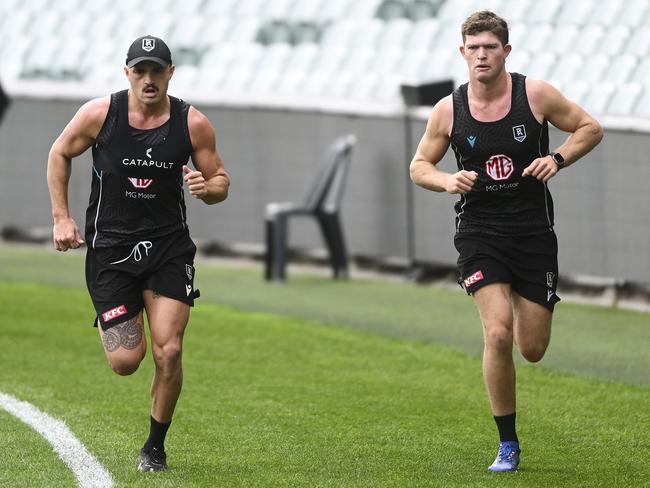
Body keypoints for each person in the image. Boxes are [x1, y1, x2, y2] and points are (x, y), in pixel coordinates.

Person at [410, 11, 602, 472]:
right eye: (473, 48)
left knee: (531, 348)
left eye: (490, 47)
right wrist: (446, 180)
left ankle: (520, 293)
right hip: (479, 233)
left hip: (533, 232)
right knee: (497, 332)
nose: (481, 55)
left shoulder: (534, 94)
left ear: (506, 51)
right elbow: (419, 165)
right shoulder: (448, 109)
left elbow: (590, 128)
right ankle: (508, 444)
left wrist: (557, 158)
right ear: (462, 53)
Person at [47, 35, 230, 472]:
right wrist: (61, 218)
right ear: (127, 72)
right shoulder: (99, 115)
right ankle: (117, 309)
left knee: (169, 352)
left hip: (169, 248)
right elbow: (59, 153)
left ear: (170, 73)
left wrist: (209, 190)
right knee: (126, 361)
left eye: (157, 70)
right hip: (111, 248)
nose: (149, 79)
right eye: (140, 70)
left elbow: (220, 179)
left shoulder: (192, 123)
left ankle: (155, 447)